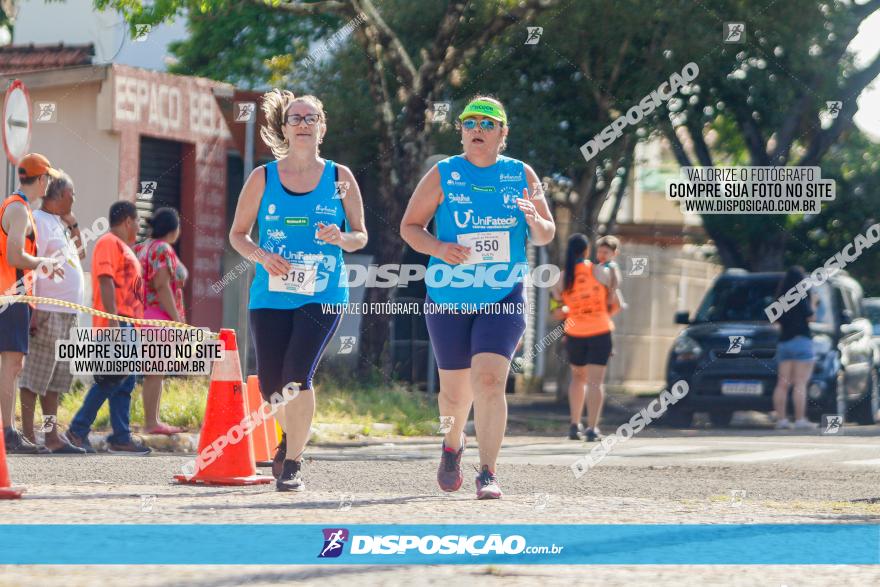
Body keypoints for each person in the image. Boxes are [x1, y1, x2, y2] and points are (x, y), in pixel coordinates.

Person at [400, 95, 555, 499]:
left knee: (489, 379)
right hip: (449, 297)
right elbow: (410, 227)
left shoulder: (521, 174)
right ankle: (452, 446)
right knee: (453, 394)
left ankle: (488, 472)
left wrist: (535, 221)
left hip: (502, 295)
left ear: (503, 134)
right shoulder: (443, 173)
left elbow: (545, 233)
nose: (478, 130)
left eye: (488, 124)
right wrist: (438, 248)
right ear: (461, 132)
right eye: (470, 123)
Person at [229, 90, 367, 492]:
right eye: (296, 118)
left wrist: (342, 236)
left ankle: (293, 463)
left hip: (322, 295)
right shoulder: (263, 178)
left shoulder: (340, 178)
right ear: (285, 128)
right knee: (271, 385)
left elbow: (360, 236)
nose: (303, 124)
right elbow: (237, 235)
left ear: (322, 128)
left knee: (297, 376)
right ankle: (290, 437)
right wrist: (260, 256)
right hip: (270, 295)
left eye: (311, 118)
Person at [65, 201, 150, 455]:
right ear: (127, 221)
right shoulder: (109, 243)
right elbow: (105, 280)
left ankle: (120, 437)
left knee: (124, 383)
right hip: (116, 323)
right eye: (137, 222)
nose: (138, 227)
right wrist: (113, 324)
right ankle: (77, 430)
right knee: (109, 380)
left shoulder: (125, 248)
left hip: (128, 325)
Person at [19, 171, 86, 454]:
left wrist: (74, 225)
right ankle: (27, 435)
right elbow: (27, 266)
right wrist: (31, 308)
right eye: (72, 193)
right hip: (47, 312)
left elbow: (81, 254)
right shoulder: (39, 222)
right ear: (58, 196)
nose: (75, 198)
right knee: (34, 378)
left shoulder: (59, 223)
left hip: (66, 314)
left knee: (55, 381)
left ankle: (51, 436)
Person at [1, 153, 64, 454]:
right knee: (11, 364)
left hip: (14, 296)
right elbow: (14, 256)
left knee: (14, 364)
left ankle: (8, 432)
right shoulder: (18, 210)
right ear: (40, 180)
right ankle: (7, 433)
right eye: (47, 178)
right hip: (10, 296)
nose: (49, 183)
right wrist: (44, 262)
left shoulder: (18, 207)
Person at [552, 234, 619, 442]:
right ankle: (592, 428)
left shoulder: (562, 277)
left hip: (574, 333)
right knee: (595, 382)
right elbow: (614, 302)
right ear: (586, 251)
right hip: (600, 331)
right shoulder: (600, 271)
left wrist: (570, 309)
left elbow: (556, 311)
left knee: (577, 378)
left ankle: (574, 425)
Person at [135, 207, 187, 435]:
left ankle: (151, 421)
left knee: (152, 372)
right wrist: (177, 320)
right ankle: (152, 422)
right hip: (159, 317)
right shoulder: (163, 249)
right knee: (156, 372)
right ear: (173, 229)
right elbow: (162, 285)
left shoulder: (142, 247)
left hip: (143, 314)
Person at [772, 266, 816, 430]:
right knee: (800, 383)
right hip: (802, 341)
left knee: (782, 384)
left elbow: (773, 319)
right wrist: (814, 302)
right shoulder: (802, 295)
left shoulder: (781, 299)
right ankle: (799, 420)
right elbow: (811, 317)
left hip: (784, 342)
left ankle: (781, 420)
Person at [595, 235, 626, 310]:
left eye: (605, 252)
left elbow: (616, 280)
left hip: (609, 292)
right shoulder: (599, 266)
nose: (602, 254)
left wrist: (611, 294)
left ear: (614, 253)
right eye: (599, 252)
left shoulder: (612, 266)